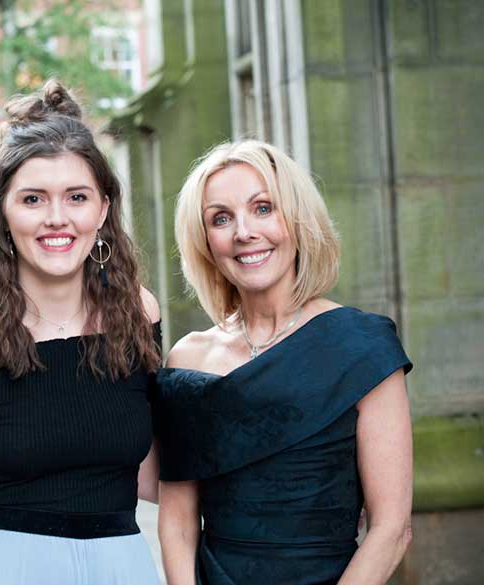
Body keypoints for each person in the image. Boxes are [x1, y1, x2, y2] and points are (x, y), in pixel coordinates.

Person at [0, 80, 161, 585]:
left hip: (122, 569)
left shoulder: (138, 315)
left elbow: (160, 477)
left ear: (104, 209)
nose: (56, 218)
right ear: (2, 212)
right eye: (33, 199)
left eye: (77, 197)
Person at [155, 139, 413, 585]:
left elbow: (391, 528)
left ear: (296, 219)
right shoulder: (188, 358)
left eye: (263, 208)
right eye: (221, 218)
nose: (244, 232)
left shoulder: (362, 347)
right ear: (205, 241)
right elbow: (178, 524)